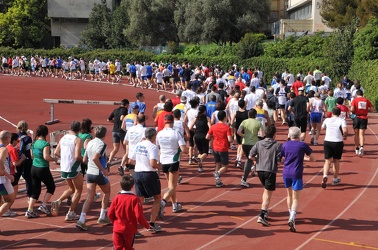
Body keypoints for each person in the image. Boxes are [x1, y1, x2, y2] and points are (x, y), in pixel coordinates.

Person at [76, 126, 111, 231]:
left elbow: (85, 159)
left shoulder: (89, 142)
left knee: (89, 197)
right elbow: (95, 157)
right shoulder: (102, 144)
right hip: (98, 173)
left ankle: (81, 220)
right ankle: (102, 216)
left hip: (89, 173)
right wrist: (103, 169)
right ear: (104, 135)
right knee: (107, 192)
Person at [129, 128, 162, 233]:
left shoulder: (139, 144)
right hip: (149, 174)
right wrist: (160, 166)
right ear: (153, 136)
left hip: (137, 173)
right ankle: (151, 224)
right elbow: (153, 164)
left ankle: (134, 226)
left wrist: (141, 163)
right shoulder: (153, 147)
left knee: (139, 201)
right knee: (157, 198)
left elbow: (131, 160)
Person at [281, 127, 314, 232]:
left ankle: (290, 213)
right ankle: (292, 216)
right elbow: (312, 158)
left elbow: (282, 158)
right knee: (296, 198)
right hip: (297, 173)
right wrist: (307, 159)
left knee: (289, 195)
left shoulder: (284, 145)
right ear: (299, 135)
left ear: (289, 135)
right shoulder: (302, 145)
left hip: (286, 172)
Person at [249, 126, 281, 226]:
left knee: (266, 190)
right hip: (270, 170)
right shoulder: (277, 145)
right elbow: (279, 160)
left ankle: (265, 211)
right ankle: (262, 215)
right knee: (268, 193)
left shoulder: (258, 143)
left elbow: (250, 156)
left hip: (260, 170)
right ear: (274, 134)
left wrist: (257, 161)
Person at [51, 121, 83, 221]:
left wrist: (65, 158)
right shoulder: (77, 139)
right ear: (79, 129)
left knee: (71, 189)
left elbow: (56, 152)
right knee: (78, 190)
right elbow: (77, 156)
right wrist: (85, 161)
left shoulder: (63, 138)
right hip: (73, 167)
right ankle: (71, 213)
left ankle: (58, 201)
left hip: (64, 167)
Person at [156, 114, 187, 218]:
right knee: (173, 186)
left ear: (164, 122)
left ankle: (175, 205)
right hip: (173, 161)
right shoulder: (176, 133)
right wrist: (185, 151)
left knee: (170, 186)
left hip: (163, 161)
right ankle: (163, 202)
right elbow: (183, 149)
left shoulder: (159, 134)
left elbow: (157, 147)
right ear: (172, 122)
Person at [108, 175, 150, 250]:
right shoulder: (135, 199)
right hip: (129, 229)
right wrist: (147, 226)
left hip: (117, 228)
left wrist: (115, 223)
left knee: (117, 247)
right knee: (128, 247)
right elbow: (139, 216)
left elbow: (110, 214)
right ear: (132, 186)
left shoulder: (117, 197)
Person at [26, 125, 57, 218]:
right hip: (42, 168)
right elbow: (46, 157)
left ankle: (29, 210)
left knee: (35, 190)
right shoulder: (45, 144)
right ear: (46, 133)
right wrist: (54, 159)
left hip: (34, 168)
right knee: (51, 187)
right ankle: (43, 205)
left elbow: (32, 156)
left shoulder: (34, 143)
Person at [321, 108, 348, 188]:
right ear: (339, 114)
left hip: (328, 141)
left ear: (332, 113)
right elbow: (345, 130)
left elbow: (323, 128)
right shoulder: (342, 120)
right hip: (338, 142)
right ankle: (335, 178)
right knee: (336, 161)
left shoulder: (327, 120)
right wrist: (344, 135)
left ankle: (325, 175)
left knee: (327, 161)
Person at [206, 110, 233, 187]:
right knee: (225, 166)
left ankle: (217, 181)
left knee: (217, 164)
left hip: (215, 147)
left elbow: (207, 137)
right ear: (225, 118)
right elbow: (230, 139)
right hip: (223, 148)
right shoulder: (227, 127)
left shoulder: (213, 127)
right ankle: (217, 173)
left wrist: (215, 136)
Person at [237, 109, 263, 187]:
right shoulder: (258, 123)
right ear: (255, 115)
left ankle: (246, 177)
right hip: (254, 144)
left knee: (249, 159)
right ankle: (246, 177)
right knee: (254, 159)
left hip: (245, 143)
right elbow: (262, 135)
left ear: (248, 114)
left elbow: (238, 132)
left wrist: (244, 136)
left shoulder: (244, 122)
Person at [3, 133, 26, 217]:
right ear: (13, 140)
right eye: (17, 140)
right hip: (11, 173)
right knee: (12, 195)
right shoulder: (12, 149)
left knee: (5, 194)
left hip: (6, 173)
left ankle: (6, 209)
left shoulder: (5, 148)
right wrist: (23, 158)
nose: (18, 142)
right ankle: (6, 209)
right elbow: (15, 163)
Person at [350, 89, 374, 157]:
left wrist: (353, 110)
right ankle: (362, 147)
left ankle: (357, 148)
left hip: (356, 117)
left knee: (356, 134)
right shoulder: (366, 100)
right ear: (362, 94)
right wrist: (366, 109)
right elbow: (372, 109)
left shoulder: (354, 100)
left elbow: (352, 109)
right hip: (364, 118)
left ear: (357, 94)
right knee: (362, 134)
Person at [189, 105, 211, 172]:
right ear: (205, 111)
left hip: (196, 136)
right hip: (204, 136)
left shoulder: (196, 118)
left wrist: (195, 130)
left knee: (200, 152)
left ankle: (200, 167)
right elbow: (210, 128)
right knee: (205, 153)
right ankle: (200, 159)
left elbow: (190, 127)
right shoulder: (207, 118)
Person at [107, 99, 129, 164]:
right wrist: (124, 123)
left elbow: (108, 120)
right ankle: (125, 164)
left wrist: (115, 122)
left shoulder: (115, 110)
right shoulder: (125, 110)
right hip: (121, 131)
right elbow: (122, 118)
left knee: (115, 149)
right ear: (126, 105)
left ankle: (109, 161)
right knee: (126, 149)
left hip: (114, 131)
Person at [0, 131, 16, 218]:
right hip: (3, 180)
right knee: (9, 200)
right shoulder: (3, 149)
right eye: (10, 138)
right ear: (7, 139)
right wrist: (6, 174)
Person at [17, 120, 33, 201]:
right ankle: (30, 196)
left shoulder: (15, 137)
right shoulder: (28, 138)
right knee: (28, 178)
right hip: (26, 160)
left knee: (16, 179)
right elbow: (28, 150)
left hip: (16, 160)